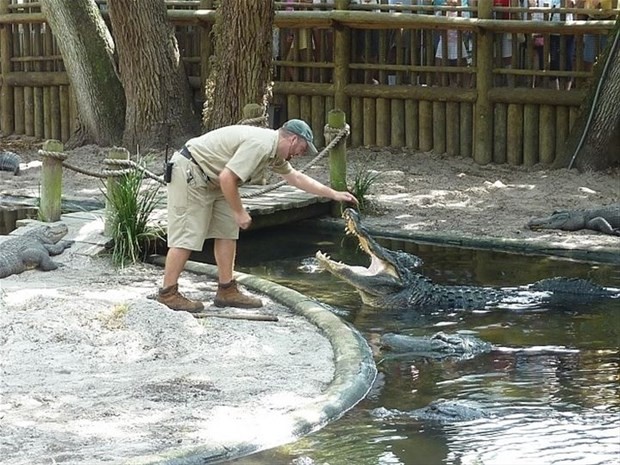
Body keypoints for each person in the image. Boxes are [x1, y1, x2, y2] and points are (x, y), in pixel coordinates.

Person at [156, 119, 359, 312]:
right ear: (293, 139)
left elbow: (295, 177)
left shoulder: (274, 153)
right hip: (191, 172)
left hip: (214, 179)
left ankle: (227, 289)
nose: (300, 154)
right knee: (187, 235)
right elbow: (228, 177)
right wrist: (239, 211)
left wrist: (333, 194)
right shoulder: (261, 144)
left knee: (227, 232)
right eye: (302, 149)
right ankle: (168, 293)